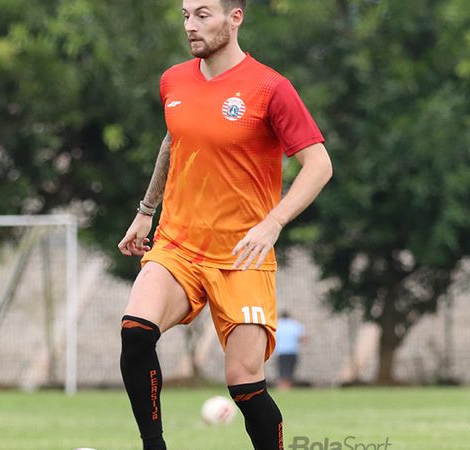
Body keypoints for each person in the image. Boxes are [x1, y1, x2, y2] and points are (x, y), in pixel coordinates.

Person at [116, 1, 333, 449]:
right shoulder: (173, 80)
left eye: (202, 15)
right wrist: (145, 210)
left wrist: (274, 222)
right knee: (136, 331)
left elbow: (319, 164)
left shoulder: (270, 87)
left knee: (244, 384)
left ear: (235, 18)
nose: (190, 26)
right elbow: (173, 142)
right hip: (178, 245)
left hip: (242, 257)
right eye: (185, 15)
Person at [274, 311, 307, 390]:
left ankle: (282, 387)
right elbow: (302, 338)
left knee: (282, 370)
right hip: (292, 351)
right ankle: (288, 387)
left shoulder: (277, 324)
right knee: (290, 371)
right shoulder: (295, 325)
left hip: (281, 352)